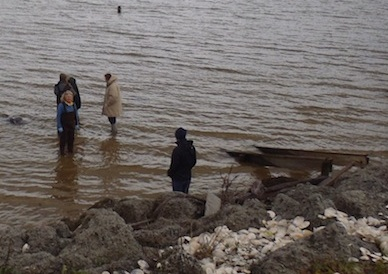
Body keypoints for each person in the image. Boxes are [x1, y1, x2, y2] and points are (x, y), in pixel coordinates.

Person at [167, 127, 197, 194]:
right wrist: (187, 169)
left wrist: (170, 173)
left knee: (177, 197)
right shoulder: (191, 147)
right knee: (185, 195)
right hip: (187, 175)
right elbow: (194, 162)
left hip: (178, 178)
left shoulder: (177, 150)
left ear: (176, 137)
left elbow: (174, 165)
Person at [57, 90, 80, 155]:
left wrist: (77, 124)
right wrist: (59, 126)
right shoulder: (61, 106)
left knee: (71, 139)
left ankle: (70, 152)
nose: (69, 98)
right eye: (67, 96)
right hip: (64, 126)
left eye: (70, 96)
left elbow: (76, 115)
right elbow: (58, 117)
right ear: (64, 97)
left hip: (71, 125)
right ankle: (62, 154)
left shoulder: (73, 105)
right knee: (63, 140)